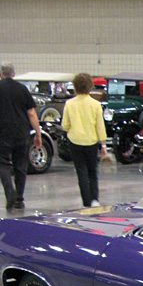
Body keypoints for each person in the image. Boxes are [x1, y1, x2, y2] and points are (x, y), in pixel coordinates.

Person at [0, 62, 42, 211]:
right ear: (14, 74)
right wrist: (38, 133)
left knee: (2, 164)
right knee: (20, 166)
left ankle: (10, 193)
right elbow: (32, 113)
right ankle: (19, 199)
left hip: (1, 133)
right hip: (21, 133)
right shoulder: (22, 89)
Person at [62, 72, 108, 207]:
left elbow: (65, 125)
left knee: (81, 171)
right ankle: (95, 199)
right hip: (91, 141)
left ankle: (86, 202)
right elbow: (100, 126)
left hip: (75, 141)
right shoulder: (95, 104)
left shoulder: (69, 104)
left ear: (75, 87)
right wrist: (104, 145)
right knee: (92, 171)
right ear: (90, 86)